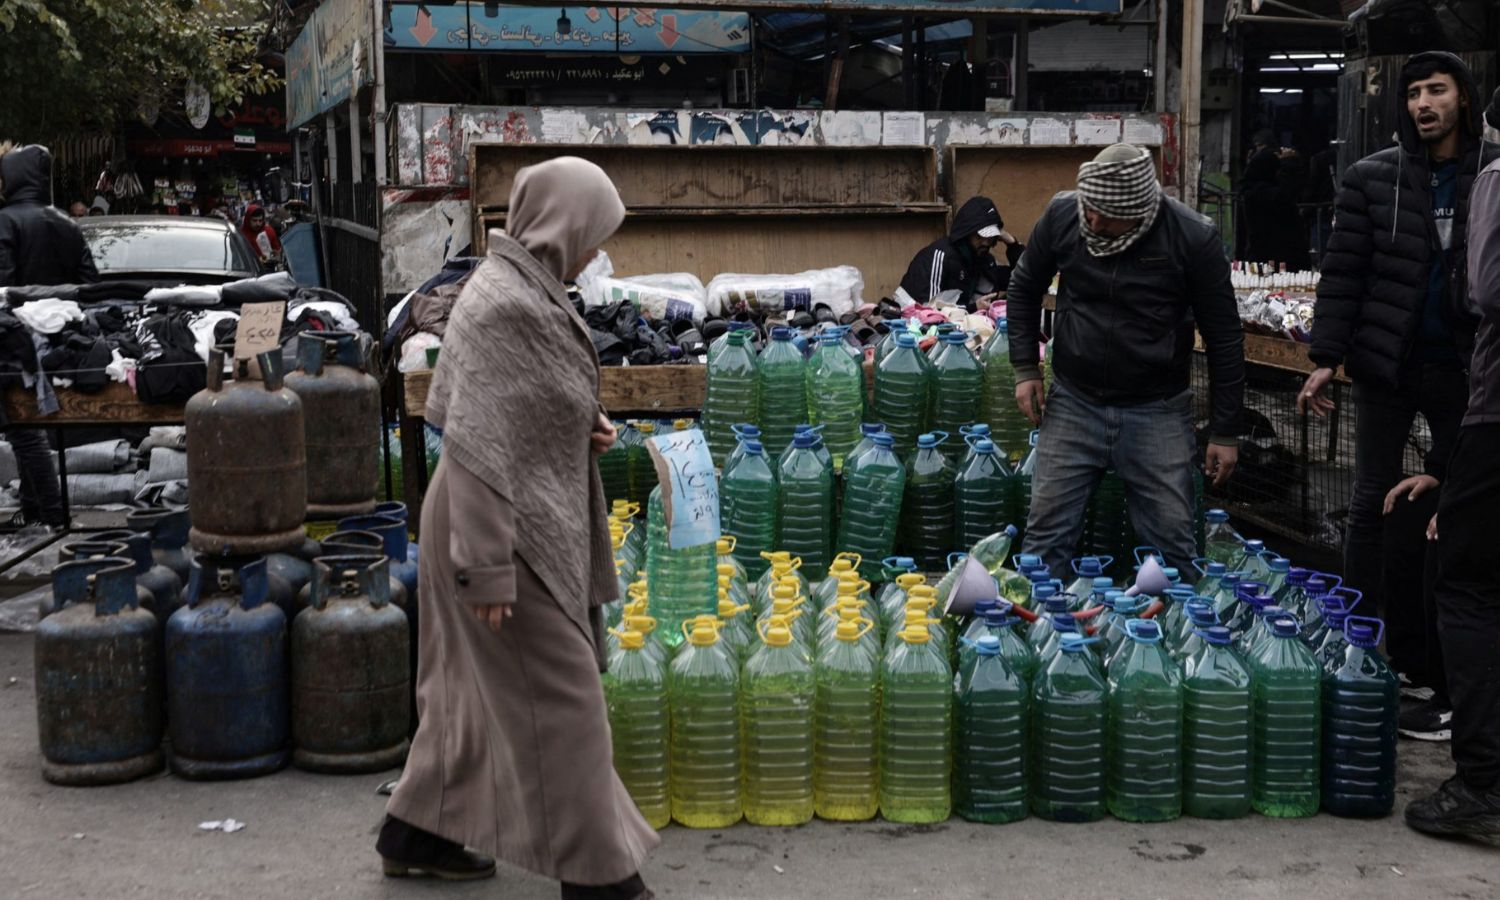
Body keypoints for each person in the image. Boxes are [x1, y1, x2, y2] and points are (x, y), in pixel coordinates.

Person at [377, 157, 658, 898]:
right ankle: (601, 878)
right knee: (564, 701)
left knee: (463, 690)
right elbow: (473, 442)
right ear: (564, 226)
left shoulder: (524, 289)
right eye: (595, 232)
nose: (598, 250)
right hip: (497, 527)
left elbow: (520, 406)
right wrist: (486, 568)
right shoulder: (508, 304)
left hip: (497, 514)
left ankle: (421, 833)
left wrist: (581, 425)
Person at [1299, 51, 1500, 740]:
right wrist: (1326, 357)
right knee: (1369, 502)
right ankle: (1365, 636)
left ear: (1463, 99)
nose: (1423, 103)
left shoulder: (1491, 173)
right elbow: (1344, 271)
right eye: (1413, 93)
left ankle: (1435, 657)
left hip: (1467, 369)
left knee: (1448, 507)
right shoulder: (1373, 178)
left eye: (1436, 90)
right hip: (1388, 362)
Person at [1006, 143, 1244, 579]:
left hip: (1157, 409)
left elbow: (1224, 337)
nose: (1091, 220)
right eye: (1088, 208)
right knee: (1045, 542)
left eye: (1103, 214)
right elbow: (1023, 287)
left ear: (1138, 211)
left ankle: (1173, 638)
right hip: (1074, 402)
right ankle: (1039, 636)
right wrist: (1025, 367)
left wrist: (1225, 428)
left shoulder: (1191, 236)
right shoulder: (1064, 215)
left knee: (1172, 546)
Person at [1404, 86, 1500, 839]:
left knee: (1467, 586)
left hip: (1496, 416)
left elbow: (1486, 290)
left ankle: (1485, 785)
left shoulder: (1496, 174)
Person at [0, 144, 99, 532]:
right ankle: (36, 509)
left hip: (13, 343)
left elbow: (2, 285)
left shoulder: (6, 222)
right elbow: (91, 286)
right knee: (27, 426)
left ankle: (53, 514)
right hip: (60, 343)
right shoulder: (66, 224)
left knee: (23, 430)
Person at [897, 195, 1025, 311]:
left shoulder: (985, 260)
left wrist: (1012, 244)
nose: (986, 243)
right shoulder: (941, 256)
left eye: (991, 237)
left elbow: (1025, 278)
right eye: (980, 237)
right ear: (967, 233)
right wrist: (974, 308)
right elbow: (928, 310)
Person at [1240, 128, 1309, 269]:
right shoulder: (1262, 192)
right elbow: (1285, 195)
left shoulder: (1252, 188)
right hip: (1279, 254)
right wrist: (1289, 164)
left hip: (1266, 254)